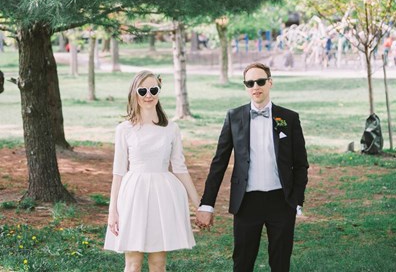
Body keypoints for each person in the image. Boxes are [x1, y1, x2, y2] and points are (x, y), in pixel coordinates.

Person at [196, 62, 308, 272]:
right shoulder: (234, 117)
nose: (255, 86)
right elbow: (219, 162)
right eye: (250, 83)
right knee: (242, 262)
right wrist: (206, 204)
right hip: (246, 202)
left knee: (281, 262)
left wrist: (296, 200)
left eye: (260, 81)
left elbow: (301, 164)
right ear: (246, 87)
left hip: (281, 201)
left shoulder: (289, 118)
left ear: (270, 83)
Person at [104, 70, 199, 272]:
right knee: (133, 263)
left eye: (153, 89)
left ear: (159, 91)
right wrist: (113, 211)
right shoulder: (124, 129)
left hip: (162, 197)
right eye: (143, 90)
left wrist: (199, 204)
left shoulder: (171, 129)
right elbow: (118, 172)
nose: (149, 95)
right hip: (133, 196)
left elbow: (180, 167)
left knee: (158, 264)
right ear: (134, 93)